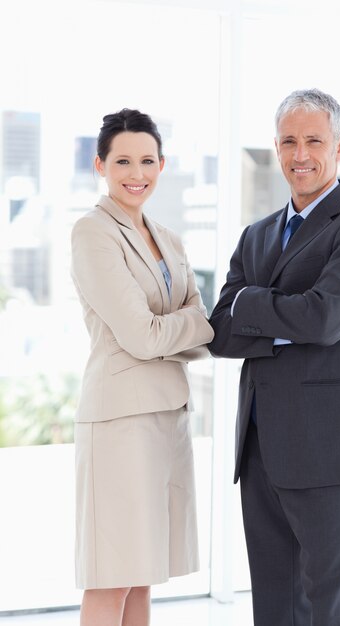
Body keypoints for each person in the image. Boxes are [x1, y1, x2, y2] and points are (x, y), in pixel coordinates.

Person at [208, 88, 340, 626]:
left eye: (314, 140)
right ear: (276, 148)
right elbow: (220, 333)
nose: (300, 154)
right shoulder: (257, 234)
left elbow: (326, 319)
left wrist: (253, 305)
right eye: (289, 141)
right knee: (274, 604)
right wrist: (283, 318)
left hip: (330, 449)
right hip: (261, 445)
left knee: (331, 607)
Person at [71, 108, 214, 626]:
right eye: (123, 161)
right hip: (121, 424)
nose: (137, 173)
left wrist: (184, 326)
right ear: (100, 165)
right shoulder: (93, 232)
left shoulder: (168, 238)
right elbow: (142, 333)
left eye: (147, 160)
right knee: (112, 577)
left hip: (168, 417)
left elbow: (197, 317)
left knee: (144, 576)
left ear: (162, 164)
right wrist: (189, 325)